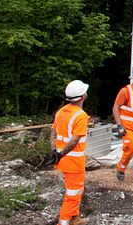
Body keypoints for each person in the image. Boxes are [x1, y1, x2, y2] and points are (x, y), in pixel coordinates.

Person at [50, 80, 89, 225]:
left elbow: (53, 133)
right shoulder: (81, 115)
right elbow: (74, 141)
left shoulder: (61, 111)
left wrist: (55, 151)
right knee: (73, 194)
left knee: (75, 191)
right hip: (74, 162)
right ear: (83, 96)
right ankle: (64, 222)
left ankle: (74, 217)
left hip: (64, 160)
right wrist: (60, 154)